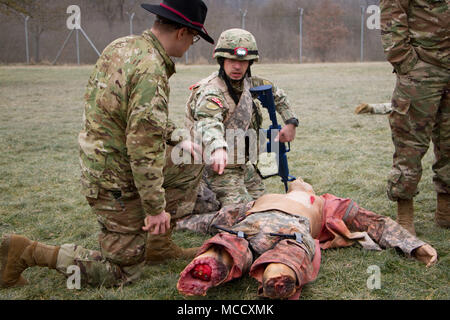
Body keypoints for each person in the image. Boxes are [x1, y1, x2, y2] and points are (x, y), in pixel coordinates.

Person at [0, 0, 214, 289]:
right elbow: (143, 147)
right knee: (123, 275)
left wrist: (178, 136)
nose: (191, 44)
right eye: (194, 37)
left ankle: (157, 247)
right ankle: (26, 251)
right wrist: (155, 210)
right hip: (113, 181)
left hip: (107, 164)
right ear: (181, 33)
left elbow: (131, 114)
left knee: (189, 159)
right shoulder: (151, 69)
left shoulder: (123, 46)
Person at [176, 178, 438, 299]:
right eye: (296, 180)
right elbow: (217, 218)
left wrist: (414, 245)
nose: (298, 180)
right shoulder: (313, 202)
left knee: (238, 242)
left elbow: (374, 223)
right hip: (273, 227)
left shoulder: (319, 202)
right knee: (279, 250)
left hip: (263, 227)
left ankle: (222, 262)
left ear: (310, 188)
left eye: (302, 180)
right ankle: (270, 274)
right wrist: (179, 223)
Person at [184, 28, 300, 207]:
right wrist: (217, 148)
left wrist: (290, 122)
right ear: (222, 60)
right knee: (242, 213)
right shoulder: (211, 91)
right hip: (215, 169)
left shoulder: (250, 83)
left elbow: (278, 95)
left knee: (266, 205)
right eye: (231, 60)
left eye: (243, 61)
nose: (237, 66)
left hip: (242, 166)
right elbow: (208, 122)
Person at [380, 0, 449, 235]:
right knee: (410, 143)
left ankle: (445, 211)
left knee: (449, 141)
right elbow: (392, 15)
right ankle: (405, 215)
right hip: (422, 67)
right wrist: (406, 63)